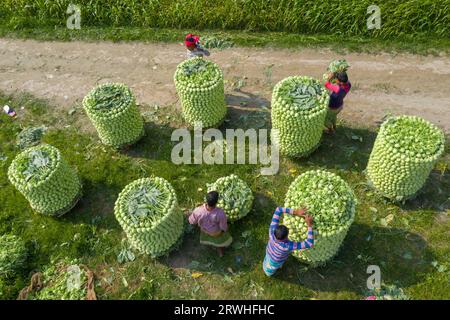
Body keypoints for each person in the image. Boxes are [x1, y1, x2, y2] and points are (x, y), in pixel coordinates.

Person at [263, 207, 314, 277]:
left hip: (269, 252)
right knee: (270, 268)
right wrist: (309, 225)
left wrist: (296, 212)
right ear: (286, 237)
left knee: (267, 260)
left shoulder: (271, 231)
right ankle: (268, 273)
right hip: (276, 261)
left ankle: (270, 266)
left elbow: (278, 210)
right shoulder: (287, 246)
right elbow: (309, 243)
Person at [188, 191, 232, 257]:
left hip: (204, 230)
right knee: (218, 242)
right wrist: (224, 230)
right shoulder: (220, 213)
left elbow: (191, 221)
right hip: (216, 233)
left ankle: (210, 246)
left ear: (206, 200)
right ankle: (220, 251)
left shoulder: (198, 210)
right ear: (216, 202)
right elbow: (223, 227)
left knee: (208, 239)